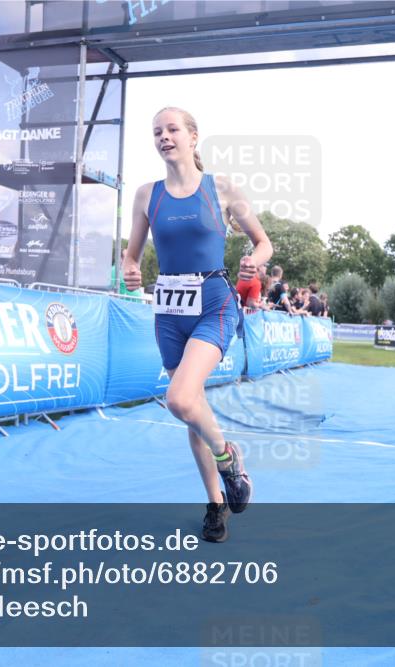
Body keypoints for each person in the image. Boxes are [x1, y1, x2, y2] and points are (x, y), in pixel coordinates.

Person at [122, 107, 272, 543]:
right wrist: (130, 269)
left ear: (193, 137)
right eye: (157, 132)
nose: (163, 137)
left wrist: (252, 263)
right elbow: (131, 255)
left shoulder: (221, 188)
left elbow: (264, 243)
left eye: (172, 129)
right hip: (169, 309)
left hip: (213, 302)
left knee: (181, 398)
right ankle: (215, 505)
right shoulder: (146, 195)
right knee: (191, 413)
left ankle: (229, 460)